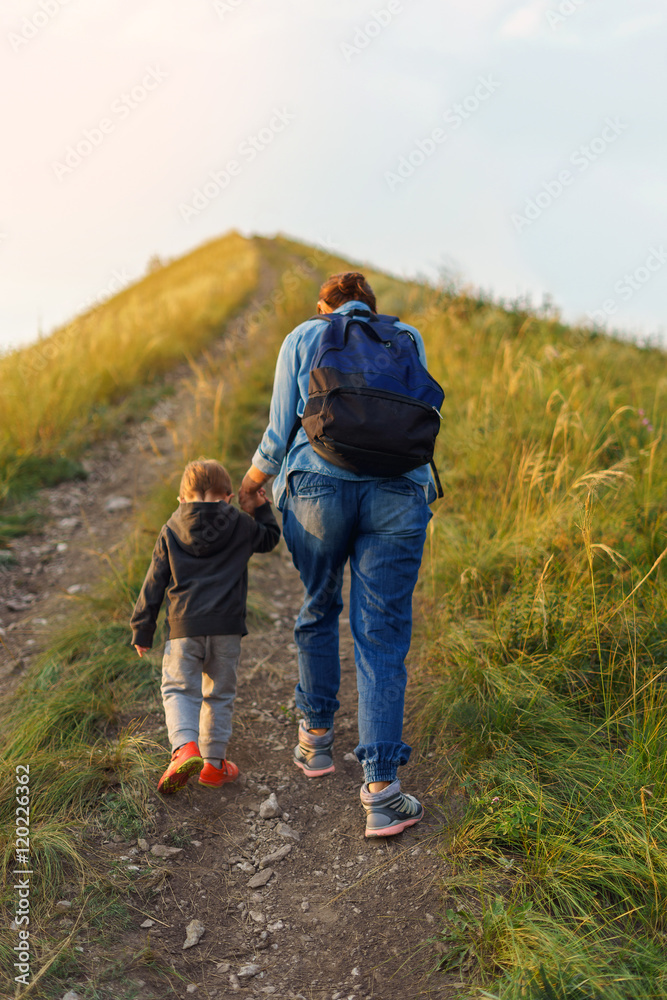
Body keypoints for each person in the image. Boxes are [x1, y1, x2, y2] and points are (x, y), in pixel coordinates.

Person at [239, 271, 437, 837]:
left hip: (317, 491)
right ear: (373, 310)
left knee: (319, 603)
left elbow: (280, 430)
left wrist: (253, 484)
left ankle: (317, 742)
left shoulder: (305, 335)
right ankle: (381, 791)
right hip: (399, 492)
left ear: (325, 307)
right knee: (382, 631)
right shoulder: (407, 337)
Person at [130, 458, 280, 794]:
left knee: (180, 689)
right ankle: (213, 765)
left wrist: (143, 629)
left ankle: (184, 748)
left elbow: (154, 581)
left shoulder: (171, 528)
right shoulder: (240, 523)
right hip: (226, 629)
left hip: (184, 629)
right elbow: (269, 539)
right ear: (227, 497)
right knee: (219, 694)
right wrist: (259, 507)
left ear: (181, 500)